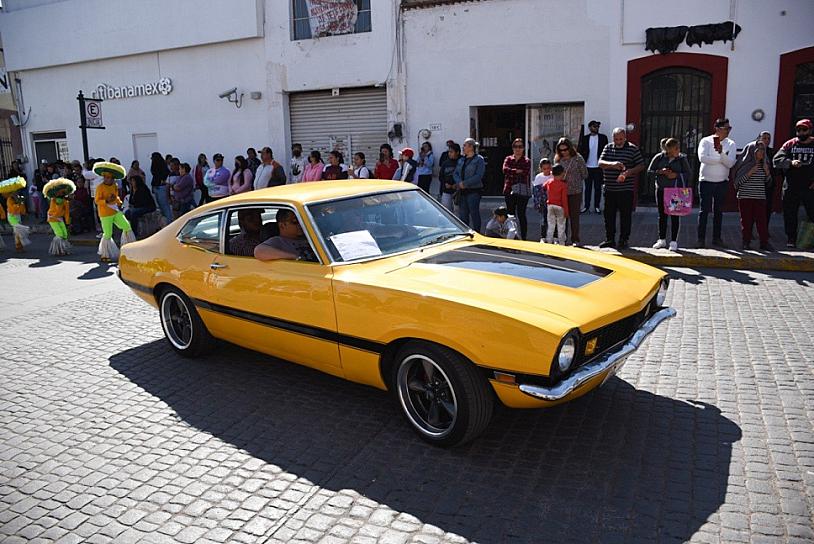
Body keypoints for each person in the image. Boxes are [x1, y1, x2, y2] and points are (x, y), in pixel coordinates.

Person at [598, 127, 645, 249]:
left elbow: (641, 165)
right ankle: (610, 239)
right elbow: (600, 163)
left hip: (625, 189)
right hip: (609, 188)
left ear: (625, 138)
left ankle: (624, 239)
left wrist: (628, 173)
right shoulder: (608, 147)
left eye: (620, 139)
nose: (618, 141)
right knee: (609, 216)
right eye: (616, 139)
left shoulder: (632, 149)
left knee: (625, 216)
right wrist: (612, 164)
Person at [697, 118, 737, 248]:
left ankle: (716, 238)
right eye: (726, 128)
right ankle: (701, 239)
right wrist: (720, 159)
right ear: (717, 129)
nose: (728, 131)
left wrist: (720, 154)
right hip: (706, 181)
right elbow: (702, 158)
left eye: (729, 128)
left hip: (722, 182)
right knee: (704, 211)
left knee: (718, 211)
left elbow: (730, 163)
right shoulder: (706, 141)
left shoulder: (730, 143)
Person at [774, 119, 814, 248]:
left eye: (804, 130)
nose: (801, 132)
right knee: (790, 213)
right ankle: (791, 238)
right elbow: (777, 160)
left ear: (810, 130)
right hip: (791, 186)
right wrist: (790, 163)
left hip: (810, 187)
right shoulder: (790, 144)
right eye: (798, 130)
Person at [647, 137, 692, 251]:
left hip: (675, 192)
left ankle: (673, 241)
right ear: (669, 149)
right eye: (675, 148)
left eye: (678, 148)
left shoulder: (682, 159)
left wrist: (676, 175)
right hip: (661, 190)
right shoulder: (659, 157)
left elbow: (688, 174)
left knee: (675, 215)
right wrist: (660, 172)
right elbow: (649, 172)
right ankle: (661, 239)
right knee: (662, 215)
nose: (678, 150)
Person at [93, 161, 137, 261]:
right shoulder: (100, 187)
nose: (108, 179)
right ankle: (105, 255)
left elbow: (116, 196)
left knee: (126, 226)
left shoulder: (115, 186)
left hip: (115, 211)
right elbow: (97, 201)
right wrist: (106, 201)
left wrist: (119, 202)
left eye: (110, 178)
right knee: (108, 234)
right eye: (106, 177)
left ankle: (128, 248)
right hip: (105, 213)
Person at [733, 140, 773, 250]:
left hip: (759, 197)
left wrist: (767, 172)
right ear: (752, 151)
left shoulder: (765, 164)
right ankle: (746, 242)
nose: (761, 153)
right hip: (745, 197)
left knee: (762, 221)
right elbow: (737, 183)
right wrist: (749, 173)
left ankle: (764, 243)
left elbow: (769, 183)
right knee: (746, 221)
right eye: (758, 150)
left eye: (763, 150)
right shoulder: (744, 165)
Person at [555, 137, 588, 245]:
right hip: (561, 191)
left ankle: (575, 239)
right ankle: (562, 239)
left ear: (570, 148)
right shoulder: (558, 159)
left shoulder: (578, 158)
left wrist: (574, 178)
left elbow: (585, 174)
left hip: (575, 191)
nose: (563, 152)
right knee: (562, 216)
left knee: (574, 216)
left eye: (565, 149)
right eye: (561, 150)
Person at [502, 138, 532, 240]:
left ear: (523, 148)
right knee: (510, 215)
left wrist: (512, 171)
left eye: (520, 147)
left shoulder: (527, 161)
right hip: (509, 189)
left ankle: (523, 238)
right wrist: (516, 171)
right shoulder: (508, 159)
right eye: (515, 147)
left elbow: (525, 172)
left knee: (521, 215)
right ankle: (513, 236)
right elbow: (505, 170)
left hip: (522, 191)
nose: (518, 149)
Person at [454, 138, 486, 232]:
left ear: (471, 147)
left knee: (474, 213)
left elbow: (479, 175)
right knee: (463, 214)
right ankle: (465, 233)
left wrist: (465, 183)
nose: (463, 147)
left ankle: (477, 233)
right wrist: (459, 182)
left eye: (465, 145)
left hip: (474, 191)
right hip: (462, 191)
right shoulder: (461, 160)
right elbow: (455, 173)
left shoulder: (479, 159)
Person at [578, 120, 609, 213]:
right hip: (587, 167)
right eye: (594, 126)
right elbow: (580, 150)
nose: (596, 128)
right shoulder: (585, 138)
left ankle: (597, 206)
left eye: (597, 127)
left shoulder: (603, 138)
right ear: (590, 127)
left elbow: (606, 151)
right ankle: (586, 206)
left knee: (597, 187)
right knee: (587, 188)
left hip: (598, 167)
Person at [42, 177, 75, 256]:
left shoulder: (65, 201)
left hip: (60, 218)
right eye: (59, 192)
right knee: (59, 234)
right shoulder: (54, 200)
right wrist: (63, 199)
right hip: (52, 218)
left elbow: (66, 212)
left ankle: (63, 249)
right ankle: (57, 250)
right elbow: (58, 206)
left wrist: (67, 222)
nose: (61, 193)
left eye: (62, 192)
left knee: (65, 234)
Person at [545, 164, 569, 244]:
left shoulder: (549, 182)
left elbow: (543, 186)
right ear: (562, 173)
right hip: (560, 207)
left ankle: (549, 242)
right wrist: (566, 211)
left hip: (550, 206)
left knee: (551, 226)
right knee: (561, 226)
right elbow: (564, 199)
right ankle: (562, 243)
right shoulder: (563, 185)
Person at [758, 131, 777, 227]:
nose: (766, 140)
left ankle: (765, 229)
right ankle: (750, 230)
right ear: (759, 139)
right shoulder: (754, 151)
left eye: (768, 138)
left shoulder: (773, 152)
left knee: (767, 208)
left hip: (768, 184)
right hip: (756, 184)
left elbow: (776, 168)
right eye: (764, 138)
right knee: (755, 208)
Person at [533, 158, 552, 242]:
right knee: (544, 219)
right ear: (541, 168)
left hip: (553, 201)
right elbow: (536, 192)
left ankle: (553, 236)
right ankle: (543, 236)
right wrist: (537, 203)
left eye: (548, 168)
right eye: (544, 169)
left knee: (553, 219)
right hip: (543, 202)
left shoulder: (553, 175)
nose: (547, 170)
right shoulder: (538, 177)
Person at [439, 142, 462, 212]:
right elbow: (441, 176)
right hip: (447, 191)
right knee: (446, 211)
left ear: (457, 152)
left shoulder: (462, 161)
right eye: (449, 152)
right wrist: (445, 183)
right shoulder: (445, 163)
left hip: (459, 191)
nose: (449, 154)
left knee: (458, 212)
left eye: (451, 152)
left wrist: (457, 185)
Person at [150, 152, 173, 221]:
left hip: (161, 187)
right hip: (157, 187)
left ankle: (169, 221)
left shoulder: (162, 166)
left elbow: (167, 172)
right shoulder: (156, 166)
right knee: (161, 207)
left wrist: (162, 180)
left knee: (164, 206)